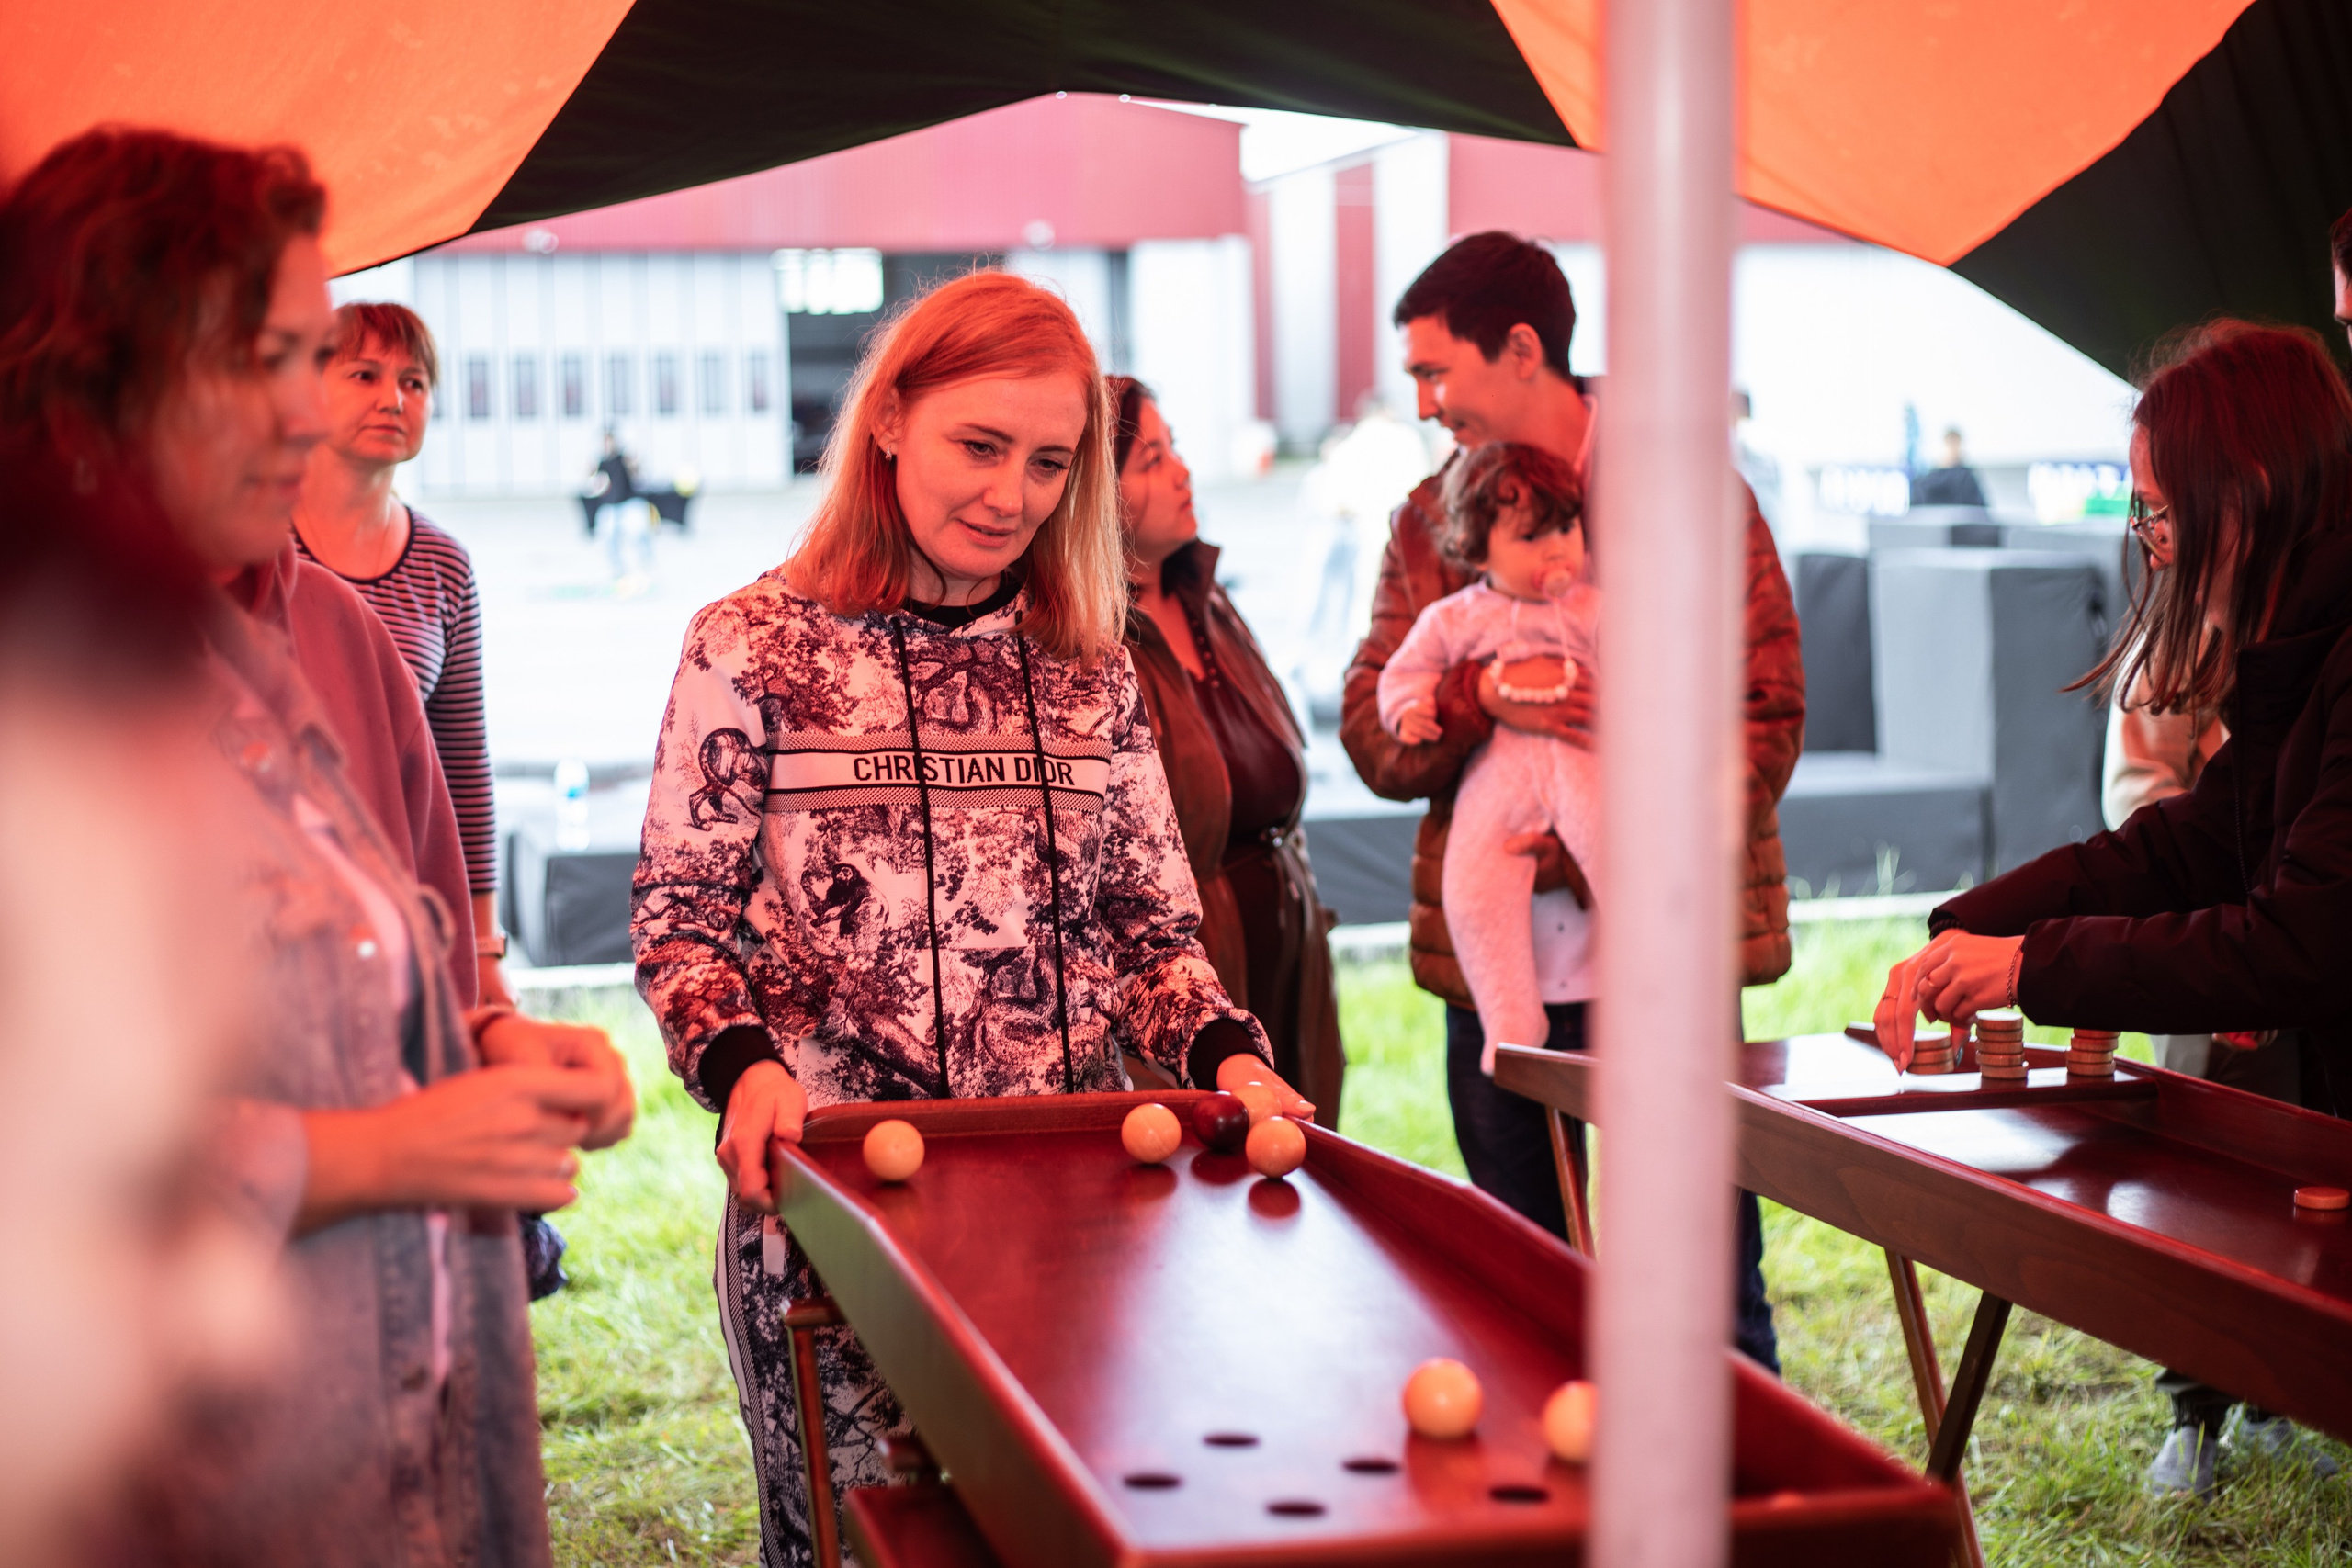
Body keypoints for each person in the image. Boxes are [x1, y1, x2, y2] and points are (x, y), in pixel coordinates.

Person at [0, 126, 637, 1565]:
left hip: (411, 1441)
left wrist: (489, 1040)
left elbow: (390, 950)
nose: (313, 411)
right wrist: (377, 1151)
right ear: (105, 361)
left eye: (324, 359)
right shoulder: (40, 685)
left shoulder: (332, 627)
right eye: (272, 357)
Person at [633, 271, 1308, 1567]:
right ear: (889, 420)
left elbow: (1148, 927)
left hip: (1074, 1204)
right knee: (860, 1545)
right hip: (829, 1208)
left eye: (1051, 461)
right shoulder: (749, 643)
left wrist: (1228, 1052)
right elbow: (680, 919)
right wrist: (742, 1063)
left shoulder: (1090, 664)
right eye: (980, 445)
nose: (1012, 495)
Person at [1873, 320, 2352, 1496]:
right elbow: (2196, 840)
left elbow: (2299, 942)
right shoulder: (2302, 641)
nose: (2150, 541)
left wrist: (2030, 964)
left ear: (2241, 491)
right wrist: (1970, 927)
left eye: (2157, 510)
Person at [1341, 231, 1804, 1371]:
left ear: (1521, 347)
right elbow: (1371, 726)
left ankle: (1743, 1519)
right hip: (1498, 974)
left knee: (1705, 1282)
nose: (1426, 402)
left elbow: (1768, 704)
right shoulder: (1425, 519)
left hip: (1662, 963)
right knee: (1521, 1284)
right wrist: (1471, 693)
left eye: (1435, 371)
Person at [1109, 375, 1344, 1121]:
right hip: (1190, 976)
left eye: (1174, 450)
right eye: (1151, 459)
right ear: (1094, 493)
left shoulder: (1206, 596)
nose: (1181, 472)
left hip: (1285, 943)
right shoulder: (1088, 644)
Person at [295, 302, 512, 1008]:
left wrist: (483, 953)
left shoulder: (444, 565)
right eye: (365, 374)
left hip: (401, 907)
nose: (394, 398)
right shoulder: (251, 549)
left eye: (415, 382)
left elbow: (463, 768)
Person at [1379, 443, 1599, 1070]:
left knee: (1624, 857)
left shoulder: (1593, 611)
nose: (1558, 548)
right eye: (1533, 536)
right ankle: (1509, 1015)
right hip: (1497, 783)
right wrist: (1411, 708)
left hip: (1583, 763)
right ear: (1478, 550)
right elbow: (1402, 674)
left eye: (1566, 527)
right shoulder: (1457, 618)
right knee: (1473, 887)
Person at [1911, 425, 1987, 506]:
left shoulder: (1966, 477)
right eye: (1952, 443)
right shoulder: (1926, 480)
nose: (1955, 449)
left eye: (1957, 444)